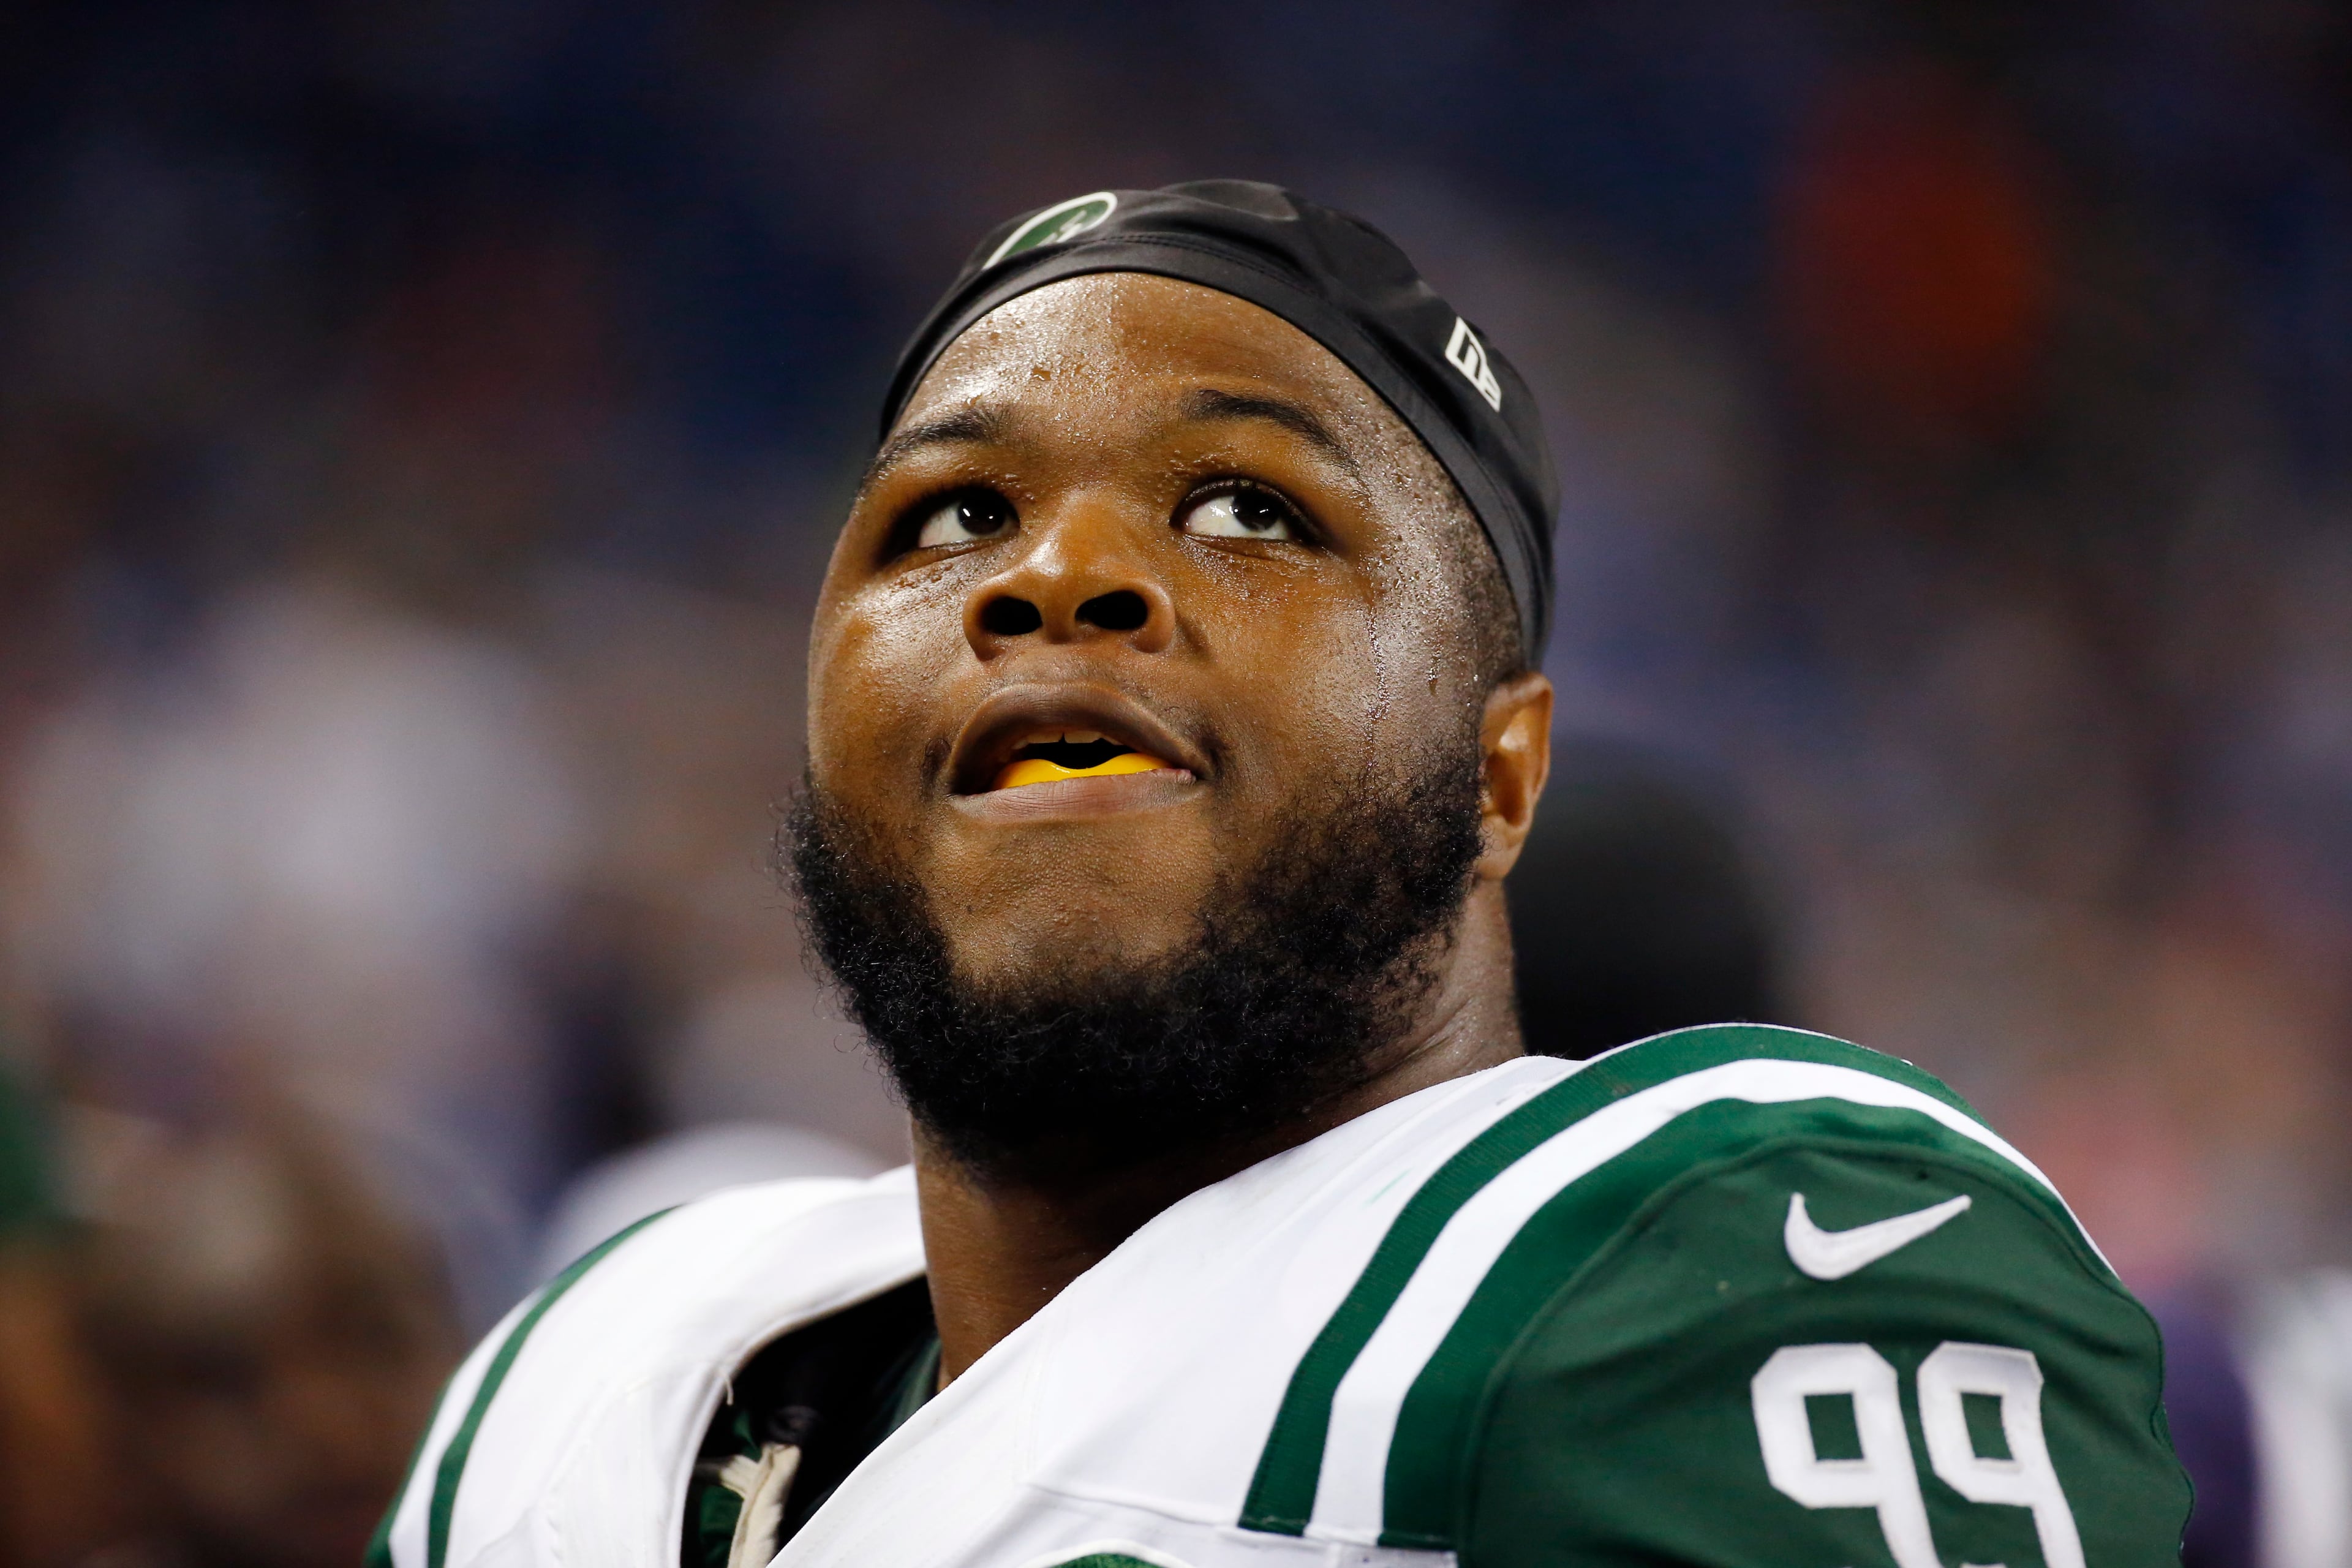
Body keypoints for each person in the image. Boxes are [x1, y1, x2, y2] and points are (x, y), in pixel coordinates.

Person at [372, 181, 2187, 1568]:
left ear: (1503, 771)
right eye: (952, 516)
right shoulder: (587, 1372)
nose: (1052, 579)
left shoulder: (1710, 1267)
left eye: (1250, 509)